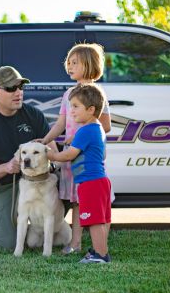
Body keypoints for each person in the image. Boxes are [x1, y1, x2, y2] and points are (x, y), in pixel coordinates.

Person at [0, 66, 56, 250]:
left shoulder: (33, 115)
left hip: (38, 181)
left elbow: (53, 154)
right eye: (11, 88)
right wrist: (6, 167)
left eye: (21, 87)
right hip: (4, 187)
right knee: (8, 245)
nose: (18, 93)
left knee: (71, 182)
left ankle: (43, 228)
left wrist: (52, 161)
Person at [38, 43, 111, 255]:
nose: (69, 66)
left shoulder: (97, 94)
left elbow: (105, 126)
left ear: (88, 64)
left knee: (92, 203)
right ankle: (76, 243)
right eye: (68, 63)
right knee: (76, 200)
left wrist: (77, 137)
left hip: (85, 157)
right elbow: (60, 124)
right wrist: (44, 141)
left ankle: (94, 246)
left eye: (74, 63)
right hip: (71, 160)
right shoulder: (68, 94)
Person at [47, 83, 112, 263]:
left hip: (90, 182)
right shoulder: (96, 127)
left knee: (94, 220)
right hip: (100, 181)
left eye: (75, 106)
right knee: (102, 218)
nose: (72, 110)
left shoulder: (84, 131)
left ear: (91, 109)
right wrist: (74, 139)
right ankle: (100, 250)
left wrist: (52, 155)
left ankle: (99, 256)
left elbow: (69, 154)